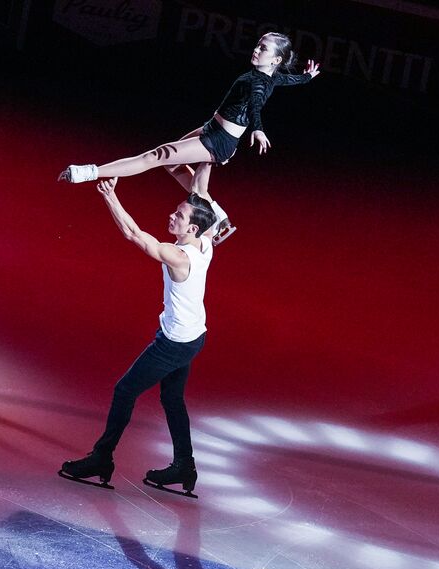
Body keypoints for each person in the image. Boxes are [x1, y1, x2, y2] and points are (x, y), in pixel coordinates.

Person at [58, 33, 319, 243]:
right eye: (258, 45)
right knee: (173, 166)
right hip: (212, 130)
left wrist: (258, 128)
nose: (256, 49)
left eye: (263, 48)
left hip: (219, 140)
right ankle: (218, 216)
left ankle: (89, 172)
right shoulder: (272, 77)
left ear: (274, 59)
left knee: (156, 156)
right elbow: (289, 80)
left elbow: (254, 105)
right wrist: (307, 76)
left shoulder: (260, 83)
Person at [58, 179, 215, 496]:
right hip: (194, 335)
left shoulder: (180, 257)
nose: (172, 216)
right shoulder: (208, 240)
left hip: (174, 343)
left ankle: (102, 458)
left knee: (124, 390)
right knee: (171, 399)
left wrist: (111, 196)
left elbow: (133, 235)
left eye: (180, 216)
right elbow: (201, 185)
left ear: (193, 230)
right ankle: (185, 466)